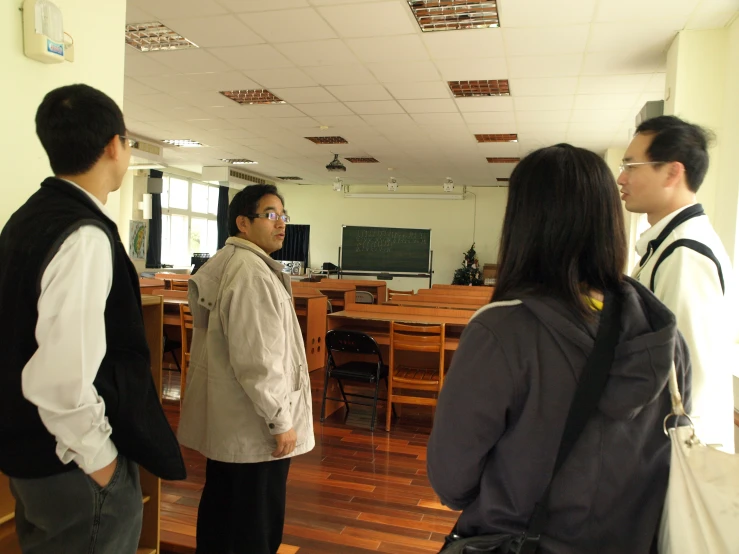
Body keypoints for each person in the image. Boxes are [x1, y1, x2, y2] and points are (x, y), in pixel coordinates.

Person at [427, 144, 691, 554]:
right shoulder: (662, 331)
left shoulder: (503, 329)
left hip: (522, 540)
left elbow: (452, 479)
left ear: (523, 223)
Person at [0, 84, 186, 554]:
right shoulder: (83, 235)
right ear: (113, 145)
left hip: (30, 453)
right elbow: (61, 378)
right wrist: (100, 462)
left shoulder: (26, 218)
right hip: (72, 464)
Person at [178, 184, 315, 554]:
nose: (282, 224)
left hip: (232, 420)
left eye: (284, 216)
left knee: (224, 511)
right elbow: (259, 359)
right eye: (271, 215)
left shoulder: (233, 262)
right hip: (253, 427)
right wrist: (280, 421)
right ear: (243, 222)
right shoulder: (251, 272)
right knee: (254, 522)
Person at [618, 115, 735, 452]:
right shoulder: (670, 245)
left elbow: (688, 379)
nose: (621, 178)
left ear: (672, 172)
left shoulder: (685, 255)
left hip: (681, 454)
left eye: (631, 166)